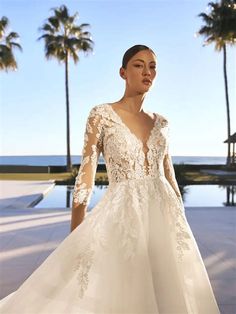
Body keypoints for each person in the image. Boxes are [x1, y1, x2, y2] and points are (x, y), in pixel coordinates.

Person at [0, 44, 220, 313]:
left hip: (165, 219)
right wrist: (76, 236)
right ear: (123, 72)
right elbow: (85, 177)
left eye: (152, 66)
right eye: (139, 65)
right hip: (123, 217)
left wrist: (179, 218)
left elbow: (168, 174)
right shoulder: (101, 115)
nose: (147, 72)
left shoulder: (162, 123)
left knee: (169, 293)